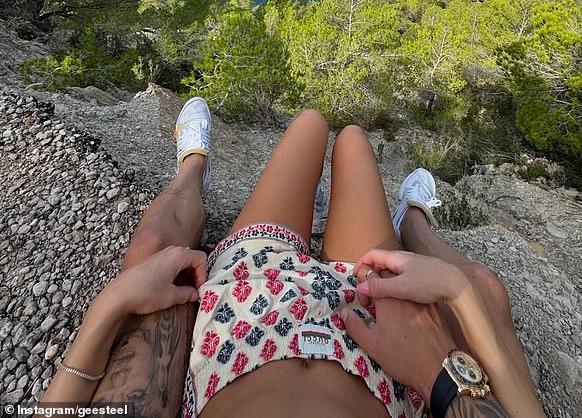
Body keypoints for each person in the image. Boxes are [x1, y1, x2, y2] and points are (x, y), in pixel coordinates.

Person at [42, 100, 545, 418]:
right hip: (381, 352)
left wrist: (110, 303)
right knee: (352, 143)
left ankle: (193, 167)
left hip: (241, 316)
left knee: (309, 126)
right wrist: (455, 294)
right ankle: (413, 224)